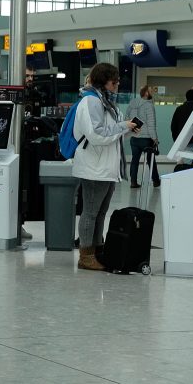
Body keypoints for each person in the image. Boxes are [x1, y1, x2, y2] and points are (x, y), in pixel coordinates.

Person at [71, 63, 138, 272]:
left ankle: (97, 249)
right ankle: (86, 254)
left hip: (105, 167)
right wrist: (122, 127)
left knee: (100, 213)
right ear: (103, 81)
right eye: (113, 81)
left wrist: (126, 129)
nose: (117, 85)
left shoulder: (105, 102)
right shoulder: (91, 101)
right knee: (90, 212)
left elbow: (109, 132)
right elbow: (97, 134)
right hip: (94, 167)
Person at [125, 85, 160, 189]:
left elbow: (127, 118)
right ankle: (156, 180)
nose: (152, 92)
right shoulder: (149, 105)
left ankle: (133, 182)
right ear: (146, 93)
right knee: (151, 160)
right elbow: (151, 123)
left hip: (134, 138)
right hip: (146, 139)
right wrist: (155, 138)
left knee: (134, 160)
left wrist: (133, 129)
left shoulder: (133, 103)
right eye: (150, 91)